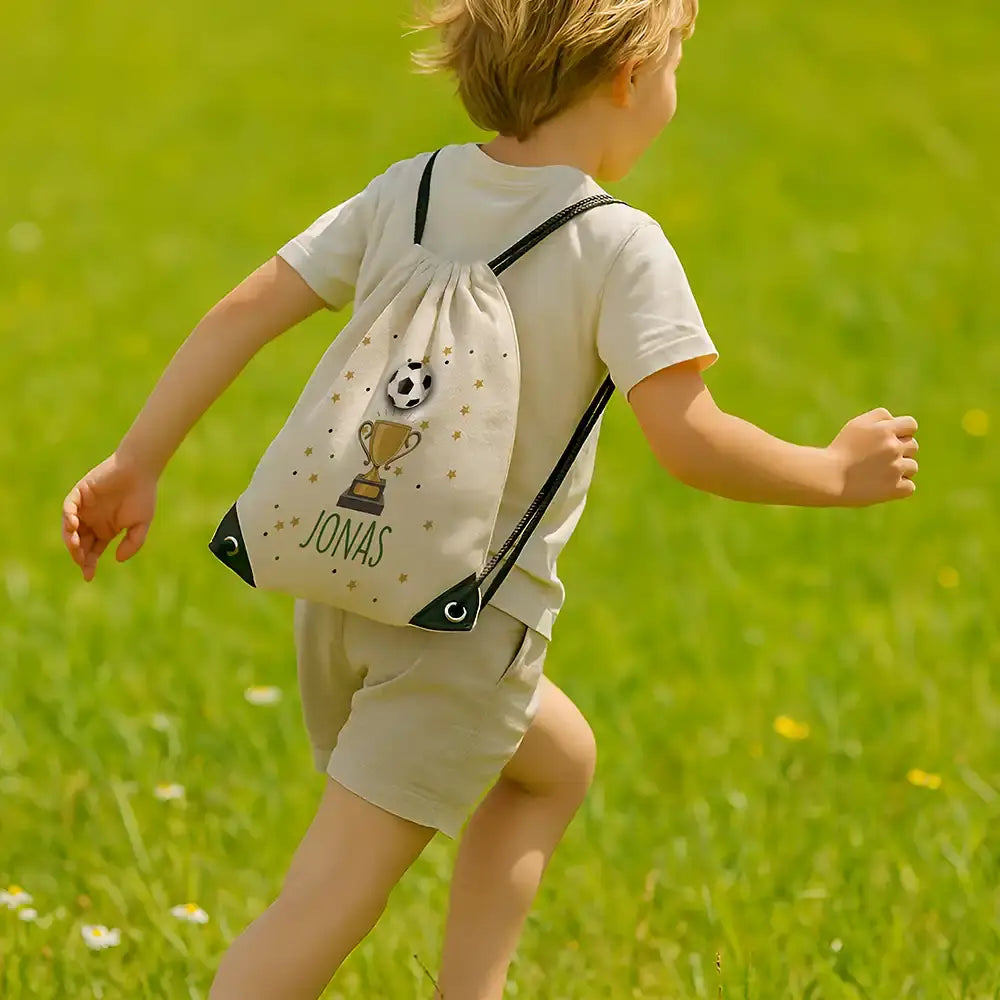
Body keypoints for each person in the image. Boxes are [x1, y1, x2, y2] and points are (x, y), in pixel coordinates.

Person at [61, 1, 919, 997]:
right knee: (322, 903)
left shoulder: (409, 188)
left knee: (553, 764)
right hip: (464, 625)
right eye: (680, 60)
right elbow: (689, 438)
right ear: (630, 76)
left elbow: (245, 310)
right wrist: (831, 469)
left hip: (343, 593)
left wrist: (138, 460)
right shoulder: (617, 244)